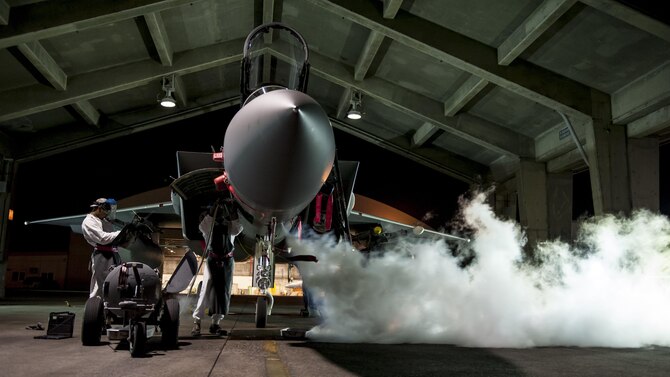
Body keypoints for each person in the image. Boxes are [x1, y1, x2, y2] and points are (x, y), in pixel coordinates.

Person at [191, 198, 242, 336]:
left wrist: (232, 211)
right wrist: (214, 208)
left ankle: (216, 324)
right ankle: (197, 322)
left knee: (223, 292)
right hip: (213, 260)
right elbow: (204, 225)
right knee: (206, 289)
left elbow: (237, 228)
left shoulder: (229, 225)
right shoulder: (208, 226)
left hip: (227, 261)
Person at [81, 198, 122, 299]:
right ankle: (95, 307)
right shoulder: (89, 221)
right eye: (106, 212)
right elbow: (102, 238)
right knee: (100, 284)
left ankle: (109, 306)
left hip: (112, 254)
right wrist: (121, 233)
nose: (107, 214)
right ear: (99, 209)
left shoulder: (102, 220)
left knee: (113, 282)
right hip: (102, 255)